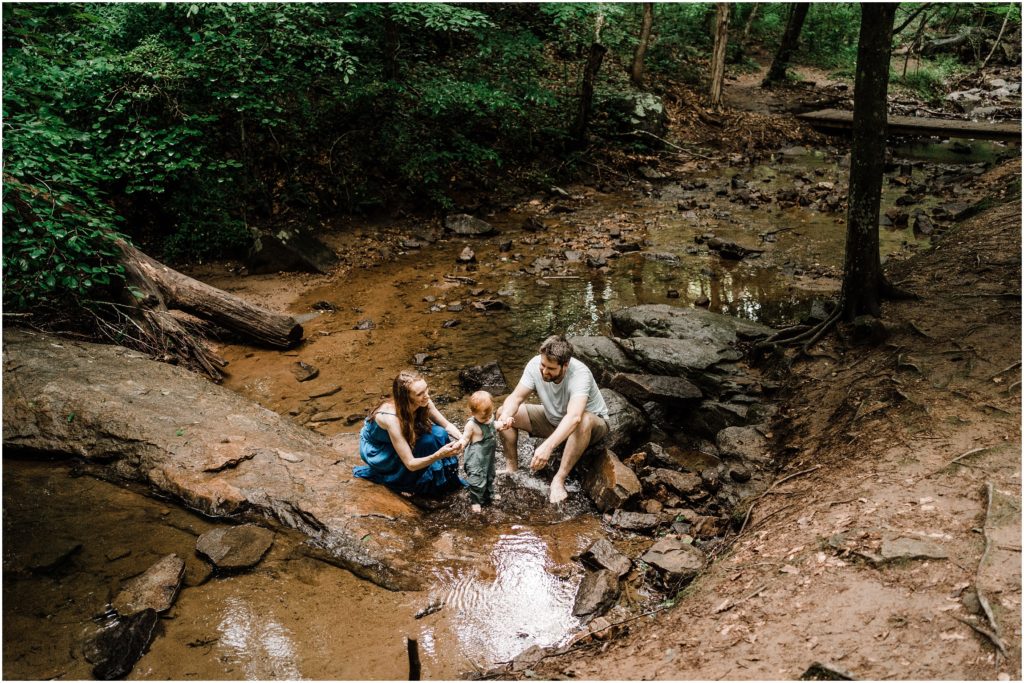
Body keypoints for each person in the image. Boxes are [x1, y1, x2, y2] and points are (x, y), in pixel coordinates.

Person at [496, 335, 609, 504]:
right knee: (501, 411)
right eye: (543, 365)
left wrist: (547, 447)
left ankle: (559, 480)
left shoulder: (580, 374)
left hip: (590, 426)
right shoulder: (535, 365)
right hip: (553, 419)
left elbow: (574, 416)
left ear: (565, 365)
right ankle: (511, 467)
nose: (544, 371)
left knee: (582, 419)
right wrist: (505, 417)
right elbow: (516, 398)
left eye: (550, 368)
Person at [354, 370, 465, 497]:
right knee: (427, 443)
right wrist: (438, 455)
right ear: (406, 398)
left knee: (439, 433)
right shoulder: (391, 418)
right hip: (379, 448)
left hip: (402, 435)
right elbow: (411, 464)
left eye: (426, 389)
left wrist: (463, 439)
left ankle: (444, 482)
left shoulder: (424, 400)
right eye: (420, 394)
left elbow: (447, 426)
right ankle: (419, 488)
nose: (427, 396)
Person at [458, 390, 500, 513]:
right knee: (477, 478)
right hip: (476, 458)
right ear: (472, 413)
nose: (487, 419)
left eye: (489, 415)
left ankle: (489, 494)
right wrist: (460, 444)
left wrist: (503, 424)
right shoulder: (471, 425)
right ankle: (476, 500)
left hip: (488, 457)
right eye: (483, 417)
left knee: (490, 474)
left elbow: (494, 425)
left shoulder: (489, 419)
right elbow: (465, 438)